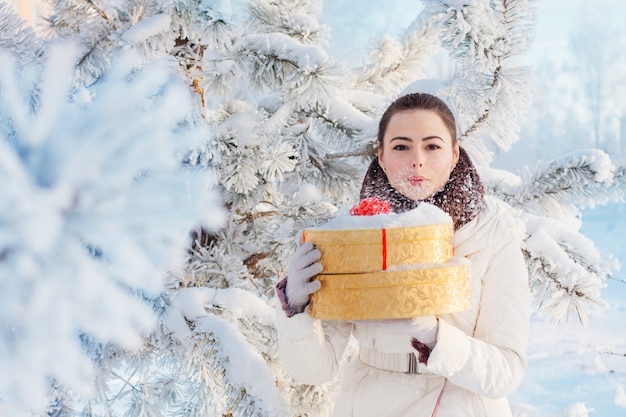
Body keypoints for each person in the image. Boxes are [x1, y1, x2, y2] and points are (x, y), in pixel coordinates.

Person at [274, 92, 531, 417]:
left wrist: (432, 334)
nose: (417, 160)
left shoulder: (492, 233)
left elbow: (506, 371)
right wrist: (297, 310)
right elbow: (314, 371)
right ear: (381, 155)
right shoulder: (352, 233)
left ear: (454, 154)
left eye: (432, 146)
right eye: (401, 146)